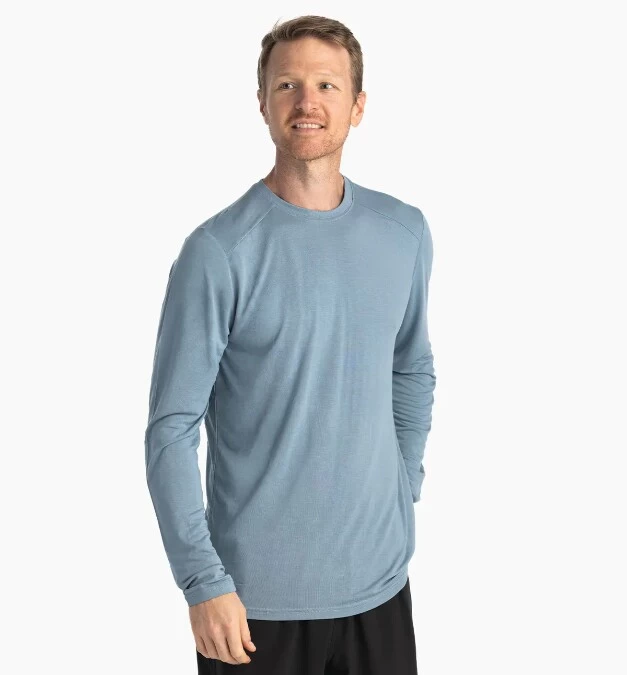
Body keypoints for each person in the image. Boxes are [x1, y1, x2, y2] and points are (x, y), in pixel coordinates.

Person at [144, 14, 436, 675]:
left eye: (327, 85)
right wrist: (202, 581)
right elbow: (171, 429)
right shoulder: (217, 252)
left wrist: (402, 482)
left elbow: (411, 365)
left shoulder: (403, 231)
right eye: (287, 85)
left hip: (381, 587)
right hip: (253, 606)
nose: (308, 102)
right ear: (263, 103)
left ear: (357, 105)